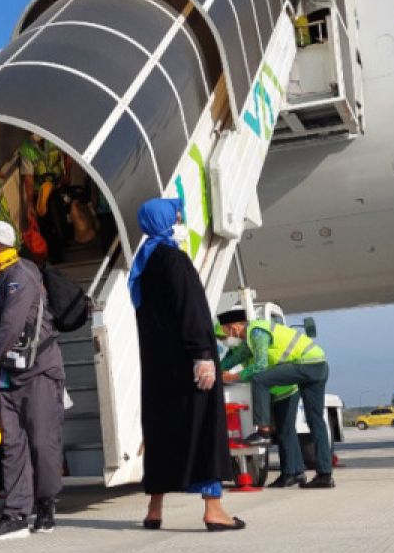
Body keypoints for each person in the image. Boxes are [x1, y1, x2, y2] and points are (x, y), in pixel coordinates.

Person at [128, 199, 243, 532]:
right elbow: (191, 310)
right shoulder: (173, 260)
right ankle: (214, 509)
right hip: (187, 363)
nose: (180, 217)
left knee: (162, 433)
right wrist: (203, 356)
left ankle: (155, 508)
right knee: (204, 429)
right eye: (175, 214)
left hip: (158, 368)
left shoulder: (144, 264)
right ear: (165, 220)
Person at [0, 220, 66, 540]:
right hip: (9, 373)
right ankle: (15, 513)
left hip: (38, 370)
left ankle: (46, 504)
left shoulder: (19, 275)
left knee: (42, 441)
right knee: (12, 443)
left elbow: (10, 327)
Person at [217, 309, 334, 489]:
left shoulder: (256, 332)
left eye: (224, 332)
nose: (225, 337)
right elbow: (234, 359)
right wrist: (215, 371)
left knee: (260, 378)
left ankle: (262, 431)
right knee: (314, 421)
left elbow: (261, 366)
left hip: (306, 365)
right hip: (317, 365)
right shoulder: (247, 342)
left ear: (233, 326)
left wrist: (233, 378)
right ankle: (321, 475)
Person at [18, 134, 70, 263]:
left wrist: (67, 175)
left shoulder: (53, 136)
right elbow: (28, 179)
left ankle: (66, 243)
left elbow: (68, 155)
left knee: (62, 216)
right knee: (47, 226)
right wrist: (30, 204)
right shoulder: (26, 150)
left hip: (57, 185)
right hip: (40, 193)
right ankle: (56, 257)